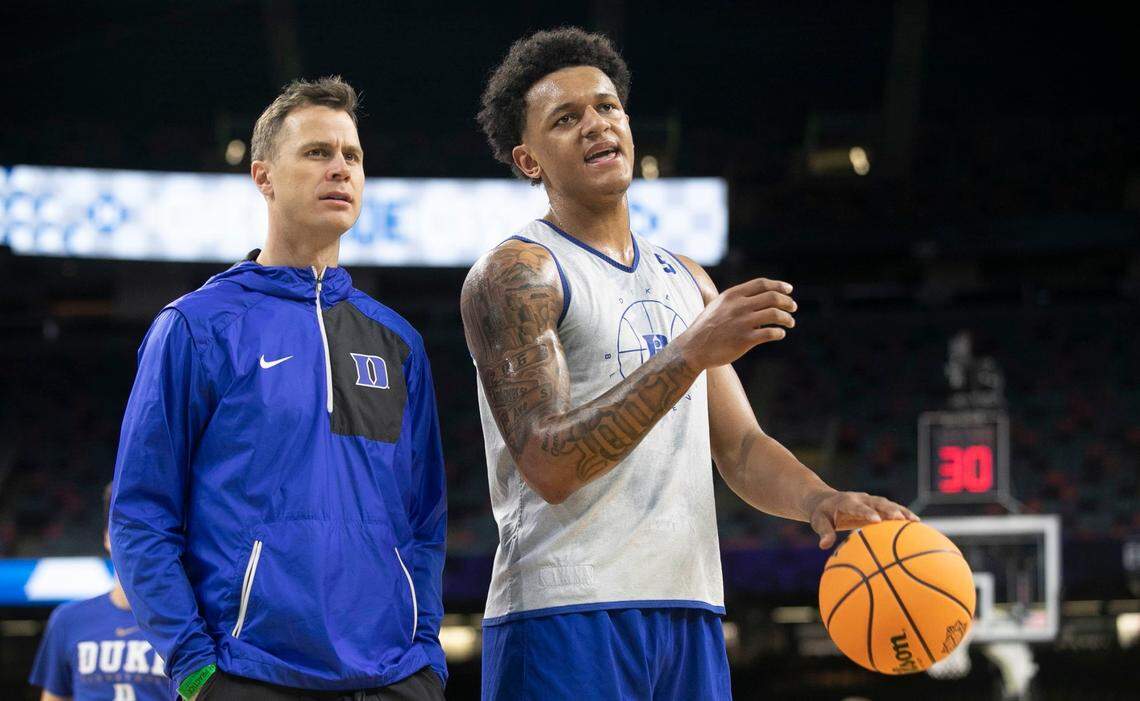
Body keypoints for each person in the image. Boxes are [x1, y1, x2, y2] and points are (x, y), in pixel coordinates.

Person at [464, 28, 919, 699]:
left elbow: (740, 447)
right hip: (565, 613)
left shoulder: (687, 279)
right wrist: (688, 352)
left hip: (691, 609)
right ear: (529, 161)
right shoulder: (516, 274)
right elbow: (548, 463)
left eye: (608, 107)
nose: (596, 125)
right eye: (566, 118)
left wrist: (819, 499)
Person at [109, 76, 447, 701]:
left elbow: (424, 520)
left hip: (396, 678)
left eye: (352, 156)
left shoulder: (399, 341)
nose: (340, 168)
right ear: (263, 177)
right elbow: (140, 517)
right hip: (249, 675)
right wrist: (196, 671)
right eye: (317, 152)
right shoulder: (196, 327)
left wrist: (426, 656)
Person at [29, 485, 170, 701]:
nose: (136, 544)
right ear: (106, 537)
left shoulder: (185, 623)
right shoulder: (68, 620)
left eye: (147, 533)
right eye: (126, 530)